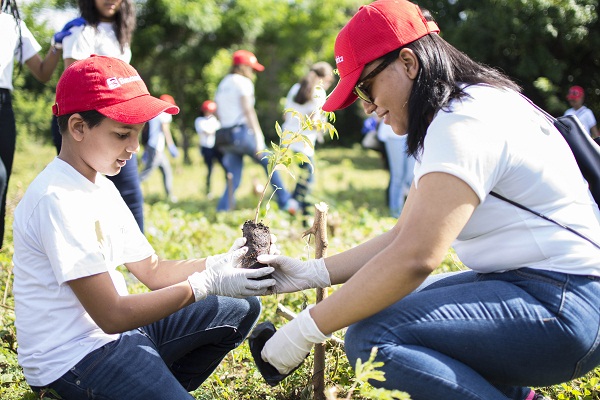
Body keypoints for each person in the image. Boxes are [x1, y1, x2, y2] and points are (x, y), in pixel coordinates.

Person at [257, 1, 600, 400]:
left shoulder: (463, 122)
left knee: (374, 340)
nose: (367, 107)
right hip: (547, 288)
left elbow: (416, 257)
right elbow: (402, 236)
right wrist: (310, 272)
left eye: (365, 87)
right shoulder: (461, 107)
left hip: (566, 301)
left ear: (408, 62)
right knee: (378, 308)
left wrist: (302, 332)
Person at [12, 55, 276, 400]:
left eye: (138, 135)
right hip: (73, 361)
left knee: (241, 306)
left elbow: (151, 270)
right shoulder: (56, 199)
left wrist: (222, 264)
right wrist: (204, 284)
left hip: (117, 336)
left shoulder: (99, 184)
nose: (134, 148)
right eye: (122, 134)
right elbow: (110, 315)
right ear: (78, 127)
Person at [52, 0, 146, 231]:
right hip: (90, 123)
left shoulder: (121, 32)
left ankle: (138, 261)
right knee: (81, 193)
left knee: (130, 195)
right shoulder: (80, 31)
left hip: (120, 122)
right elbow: (75, 87)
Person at [0, 0, 81, 249]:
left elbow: (43, 72)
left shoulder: (14, 23)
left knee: (3, 182)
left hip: (3, 104)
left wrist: (56, 46)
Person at [214, 49, 294, 212]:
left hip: (226, 136)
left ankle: (223, 209)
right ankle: (285, 202)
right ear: (242, 67)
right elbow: (248, 110)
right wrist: (258, 136)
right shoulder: (244, 83)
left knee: (234, 176)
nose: (252, 72)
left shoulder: (223, 83)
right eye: (250, 68)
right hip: (242, 133)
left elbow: (217, 111)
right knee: (271, 163)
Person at [280, 61, 334, 217]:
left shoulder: (295, 88)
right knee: (306, 182)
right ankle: (295, 208)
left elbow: (285, 114)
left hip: (287, 140)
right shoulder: (319, 92)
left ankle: (300, 213)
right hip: (304, 144)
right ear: (321, 78)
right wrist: (324, 126)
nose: (329, 85)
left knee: (298, 179)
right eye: (329, 81)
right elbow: (313, 122)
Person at [139, 94, 180, 202]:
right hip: (156, 149)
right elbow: (166, 131)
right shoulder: (165, 115)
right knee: (146, 173)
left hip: (154, 148)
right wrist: (171, 145)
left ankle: (170, 195)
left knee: (167, 171)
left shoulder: (154, 114)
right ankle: (131, 190)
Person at [377, 122, 415, 218]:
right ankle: (395, 213)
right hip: (393, 133)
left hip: (413, 132)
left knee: (412, 176)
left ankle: (412, 214)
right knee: (398, 176)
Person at [194, 100, 224, 198]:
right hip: (206, 147)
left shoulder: (214, 120)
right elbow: (208, 132)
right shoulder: (199, 121)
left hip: (216, 147)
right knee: (210, 169)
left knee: (225, 166)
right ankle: (208, 190)